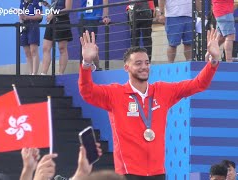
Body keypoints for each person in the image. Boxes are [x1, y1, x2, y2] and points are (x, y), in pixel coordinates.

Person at [78, 28, 219, 179]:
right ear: (126, 67)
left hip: (157, 172)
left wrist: (213, 61)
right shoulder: (115, 94)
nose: (144, 67)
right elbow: (87, 92)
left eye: (146, 62)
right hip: (128, 172)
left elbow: (198, 84)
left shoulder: (162, 91)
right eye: (138, 63)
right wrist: (86, 63)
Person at [41, 0, 73, 75]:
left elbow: (67, 9)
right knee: (46, 47)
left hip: (62, 21)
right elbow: (55, 7)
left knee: (62, 48)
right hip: (52, 22)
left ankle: (60, 73)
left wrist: (54, 14)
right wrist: (48, 6)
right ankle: (43, 73)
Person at [79, 0, 111, 70]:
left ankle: (97, 67)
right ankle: (87, 67)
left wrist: (105, 16)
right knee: (83, 45)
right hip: (82, 17)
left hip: (93, 18)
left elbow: (105, 3)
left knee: (91, 45)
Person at [19, 0, 43, 75]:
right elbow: (20, 16)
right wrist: (21, 19)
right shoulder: (22, 2)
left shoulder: (36, 1)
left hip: (33, 26)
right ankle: (30, 73)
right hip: (24, 27)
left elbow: (40, 16)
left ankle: (34, 73)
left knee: (33, 50)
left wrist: (27, 17)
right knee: (27, 52)